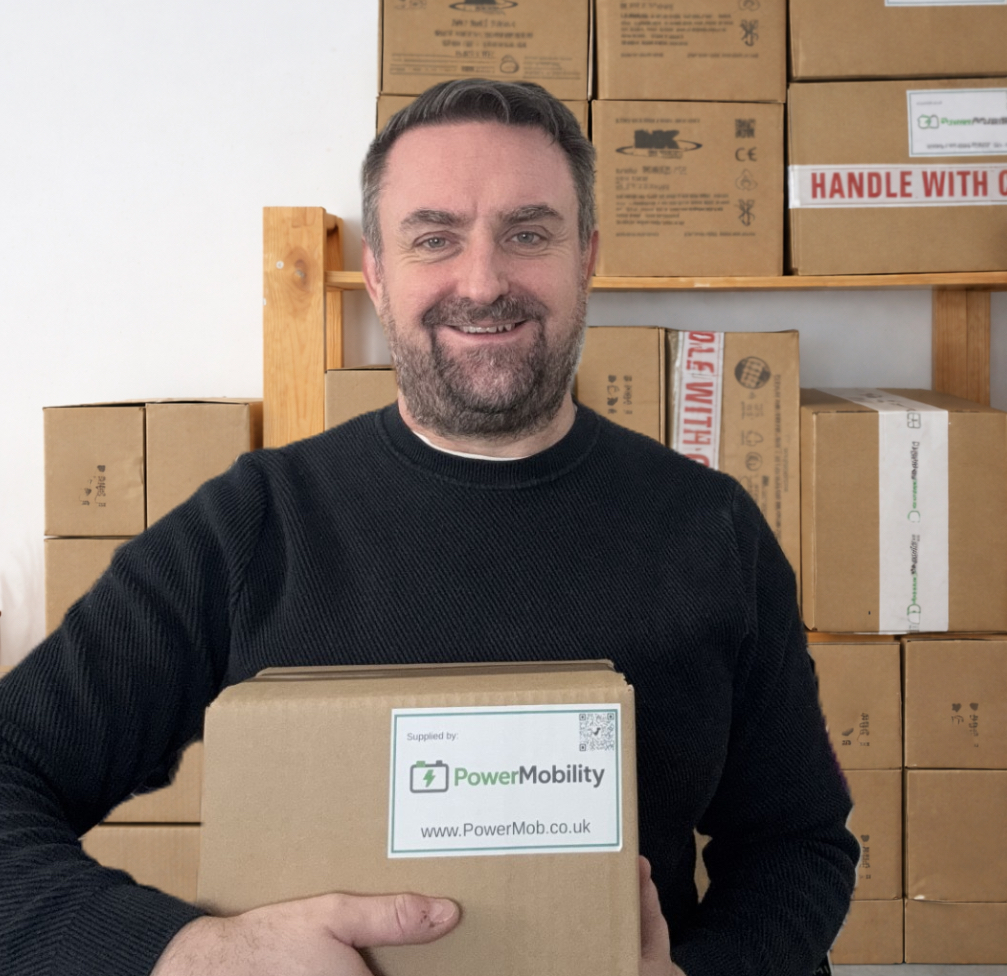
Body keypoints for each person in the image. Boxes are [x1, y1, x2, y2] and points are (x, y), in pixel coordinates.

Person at [0, 79, 858, 976]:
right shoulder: (254, 528)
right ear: (377, 272)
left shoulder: (709, 527)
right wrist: (189, 953)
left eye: (528, 234)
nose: (482, 283)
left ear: (587, 257)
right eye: (434, 238)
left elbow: (799, 843)